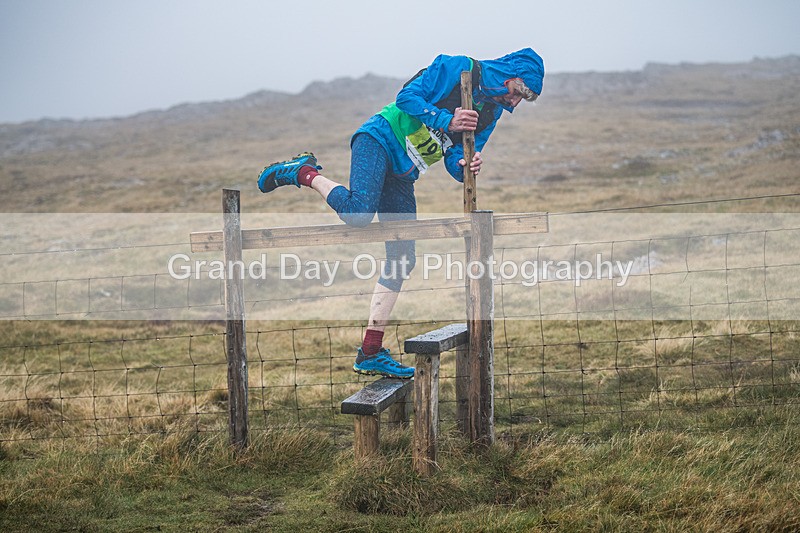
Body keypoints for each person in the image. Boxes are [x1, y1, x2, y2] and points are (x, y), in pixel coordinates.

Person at [257, 49, 544, 379]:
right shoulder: (456, 68)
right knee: (358, 214)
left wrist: (466, 164)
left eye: (522, 100)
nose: (514, 104)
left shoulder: (491, 111)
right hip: (379, 138)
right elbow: (407, 97)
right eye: (517, 94)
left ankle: (370, 351)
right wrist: (444, 119)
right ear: (509, 79)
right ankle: (303, 172)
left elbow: (456, 156)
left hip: (405, 171)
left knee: (402, 257)